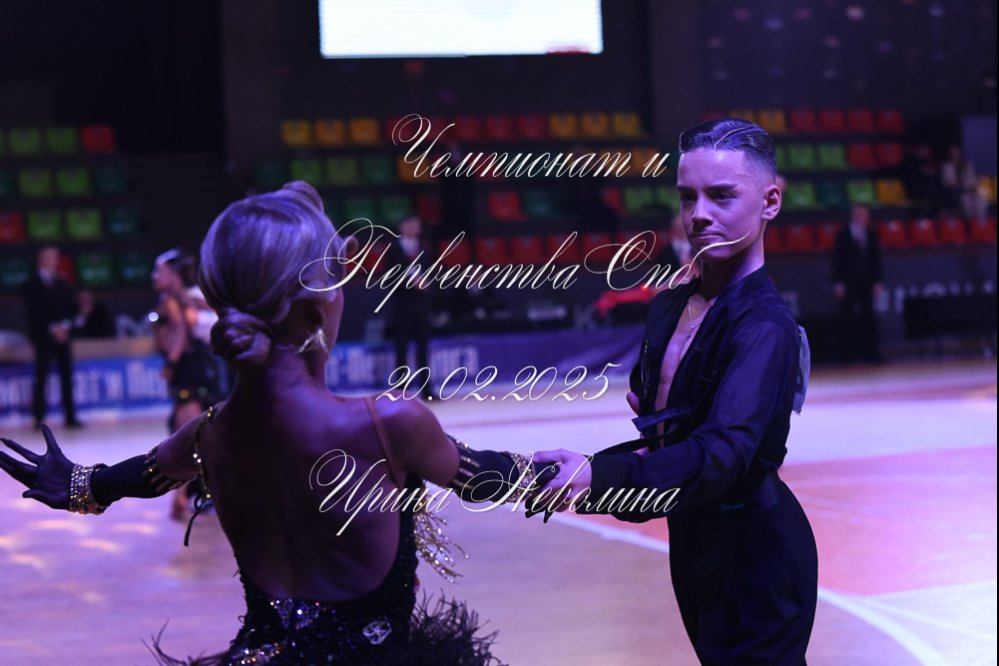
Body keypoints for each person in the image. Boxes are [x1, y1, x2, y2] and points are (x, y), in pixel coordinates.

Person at [0, 182, 548, 665]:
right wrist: (594, 475)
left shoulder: (207, 436)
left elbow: (133, 478)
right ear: (317, 310)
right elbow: (490, 477)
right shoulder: (387, 425)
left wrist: (80, 484)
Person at [533, 118, 818, 665]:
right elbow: (664, 438)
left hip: (755, 552)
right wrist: (586, 473)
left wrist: (598, 476)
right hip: (693, 539)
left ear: (770, 202)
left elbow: (721, 453)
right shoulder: (670, 306)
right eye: (688, 197)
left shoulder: (765, 328)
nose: (699, 214)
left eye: (722, 195)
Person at [150, 248, 224, 521]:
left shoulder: (190, 299)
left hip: (194, 370)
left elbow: (182, 333)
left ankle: (183, 496)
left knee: (190, 433)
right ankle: (195, 492)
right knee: (191, 431)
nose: (154, 276)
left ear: (174, 275)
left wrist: (171, 361)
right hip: (190, 369)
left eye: (160, 271)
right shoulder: (175, 299)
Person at [21, 245, 83, 430]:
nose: (53, 261)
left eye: (55, 257)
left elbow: (72, 307)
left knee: (67, 376)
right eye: (49, 257)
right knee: (41, 376)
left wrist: (65, 325)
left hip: (63, 336)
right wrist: (53, 327)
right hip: (43, 336)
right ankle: (38, 417)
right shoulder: (30, 283)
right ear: (40, 259)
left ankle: (70, 417)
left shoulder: (62, 282)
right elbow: (34, 310)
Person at [386, 215, 432, 398]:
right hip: (402, 304)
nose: (414, 228)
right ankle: (401, 389)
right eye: (410, 224)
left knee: (423, 347)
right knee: (401, 347)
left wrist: (427, 284)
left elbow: (431, 272)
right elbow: (389, 278)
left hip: (421, 305)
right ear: (402, 227)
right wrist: (411, 283)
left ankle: (426, 389)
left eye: (417, 224)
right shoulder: (394, 249)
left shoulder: (424, 248)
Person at [832, 204, 884, 364]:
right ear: (853, 215)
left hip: (867, 282)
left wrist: (878, 281)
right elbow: (837, 260)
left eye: (865, 214)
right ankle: (847, 355)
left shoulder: (871, 234)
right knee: (847, 317)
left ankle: (872, 354)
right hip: (848, 282)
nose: (862, 217)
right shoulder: (843, 234)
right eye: (859, 214)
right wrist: (838, 283)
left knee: (869, 317)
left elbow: (876, 260)